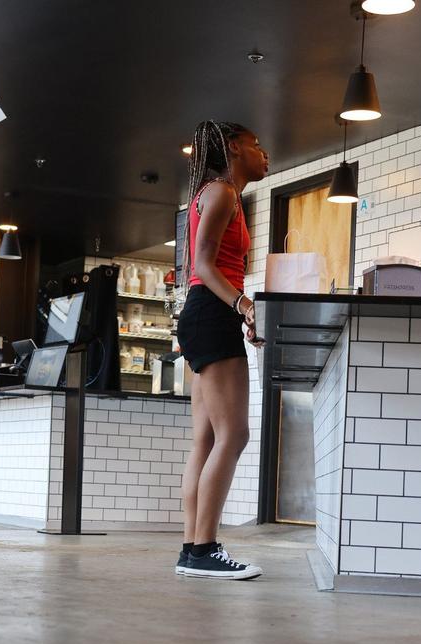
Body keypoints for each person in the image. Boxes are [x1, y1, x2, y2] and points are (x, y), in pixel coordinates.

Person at [174, 120, 269, 580]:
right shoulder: (222, 193)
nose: (265, 153)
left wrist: (240, 311)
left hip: (205, 314)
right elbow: (202, 263)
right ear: (234, 148)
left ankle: (192, 549)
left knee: (208, 439)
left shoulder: (218, 194)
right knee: (234, 435)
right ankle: (204, 548)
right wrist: (242, 304)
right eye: (256, 145)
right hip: (211, 313)